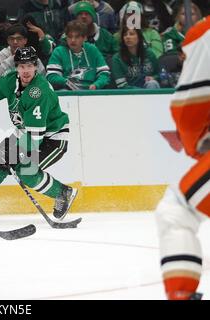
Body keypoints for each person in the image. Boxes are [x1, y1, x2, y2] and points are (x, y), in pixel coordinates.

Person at [0, 47, 77, 222]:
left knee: (27, 171)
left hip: (52, 137)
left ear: (36, 66)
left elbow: (35, 137)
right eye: (21, 66)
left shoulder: (39, 91)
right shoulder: (9, 80)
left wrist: (17, 153)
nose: (25, 71)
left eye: (29, 66)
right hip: (24, 133)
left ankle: (63, 193)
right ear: (16, 67)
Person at [155, 15, 209, 300]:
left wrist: (193, 140)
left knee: (177, 209)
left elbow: (189, 109)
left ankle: (181, 295)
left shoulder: (203, 33)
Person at [46, 20, 111, 90]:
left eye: (77, 37)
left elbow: (104, 73)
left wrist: (97, 84)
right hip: (67, 91)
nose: (73, 40)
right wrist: (66, 82)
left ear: (84, 38)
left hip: (91, 92)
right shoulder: (59, 51)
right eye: (70, 37)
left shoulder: (92, 50)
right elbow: (52, 75)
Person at [111, 24, 160, 89]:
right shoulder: (117, 58)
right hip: (129, 94)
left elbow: (160, 74)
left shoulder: (149, 54)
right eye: (125, 35)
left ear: (139, 37)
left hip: (149, 89)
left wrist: (154, 77)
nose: (128, 37)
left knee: (152, 83)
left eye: (131, 34)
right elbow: (122, 85)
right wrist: (142, 92)